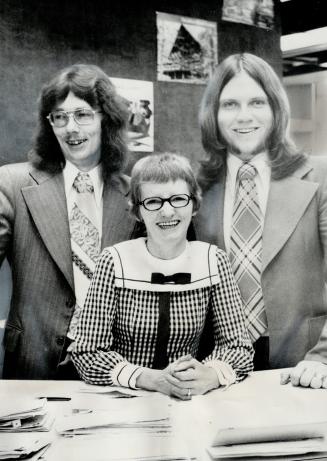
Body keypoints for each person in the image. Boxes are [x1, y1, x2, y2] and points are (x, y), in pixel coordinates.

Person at [194, 52, 327, 389]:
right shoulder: (196, 187)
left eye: (256, 102)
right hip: (219, 369)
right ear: (214, 113)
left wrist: (322, 356)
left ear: (275, 109)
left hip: (305, 367)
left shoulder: (320, 176)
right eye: (229, 105)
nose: (243, 117)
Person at [72, 153, 253, 399]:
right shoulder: (114, 261)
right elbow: (87, 352)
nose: (167, 212)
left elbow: (238, 347)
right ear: (138, 211)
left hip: (189, 396)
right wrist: (149, 379)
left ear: (194, 205)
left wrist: (209, 374)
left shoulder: (213, 260)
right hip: (126, 398)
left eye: (178, 199)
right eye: (153, 202)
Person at [0, 64, 139, 379]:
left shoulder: (133, 193)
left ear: (107, 119)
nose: (70, 128)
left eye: (83, 114)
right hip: (32, 364)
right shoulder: (11, 183)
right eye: (59, 117)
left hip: (115, 366)